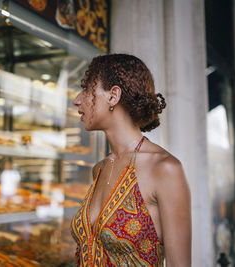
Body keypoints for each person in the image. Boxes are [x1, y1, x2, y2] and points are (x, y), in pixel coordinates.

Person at [70, 54, 191, 266]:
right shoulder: (99, 169)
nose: (77, 100)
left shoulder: (164, 168)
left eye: (87, 89)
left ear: (113, 96)